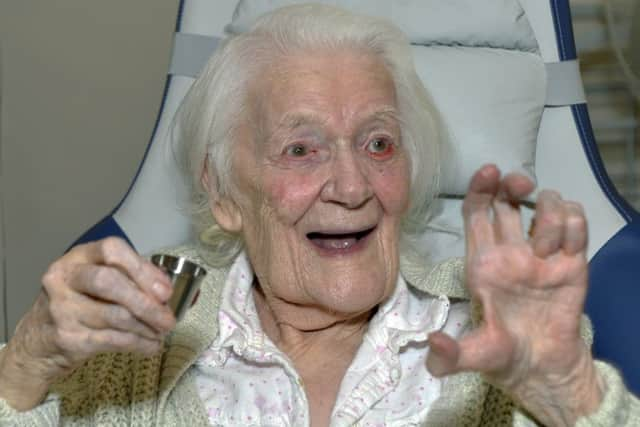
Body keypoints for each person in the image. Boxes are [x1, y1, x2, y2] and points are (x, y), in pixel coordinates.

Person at [0, 4, 638, 426]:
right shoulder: (136, 355)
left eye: (378, 144)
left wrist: (568, 397)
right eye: (301, 149)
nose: (352, 185)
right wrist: (24, 364)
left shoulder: (502, 344)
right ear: (222, 193)